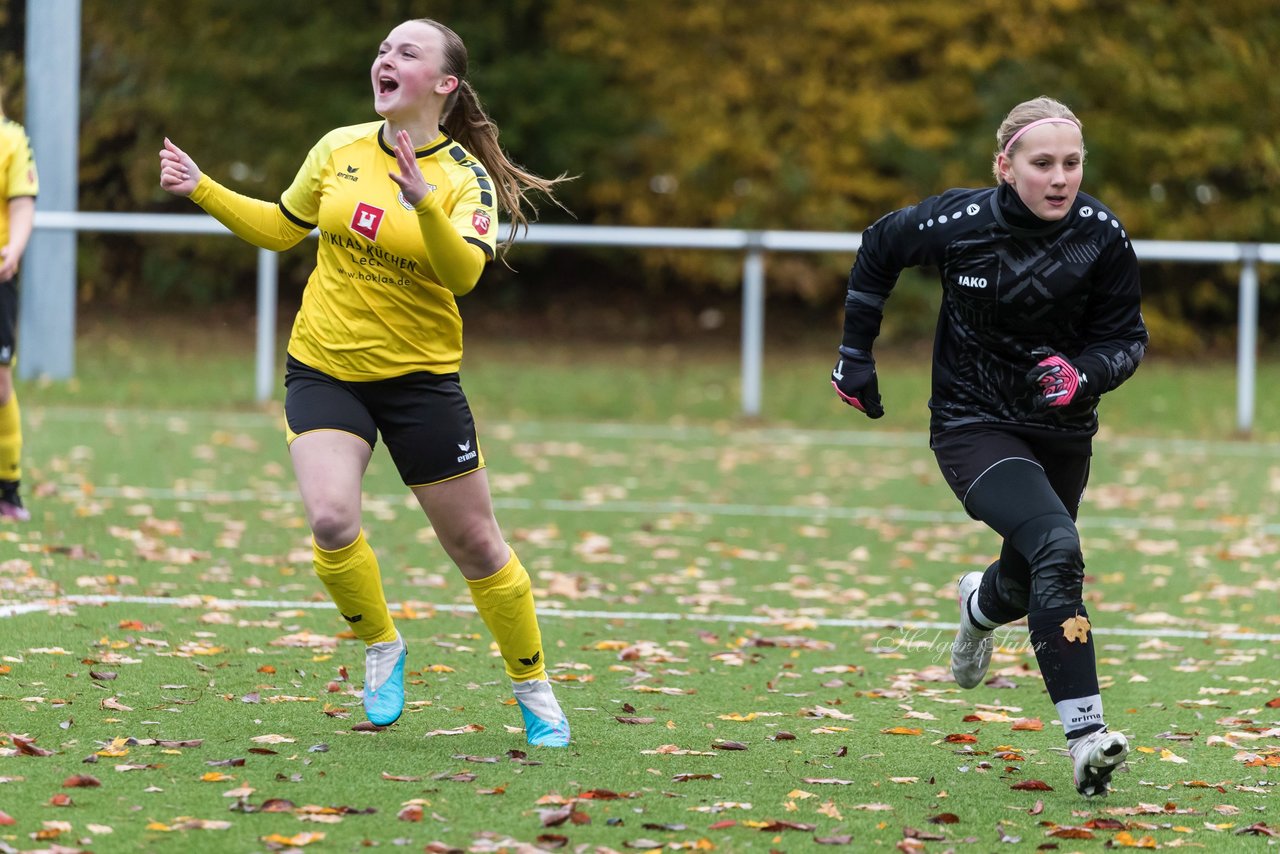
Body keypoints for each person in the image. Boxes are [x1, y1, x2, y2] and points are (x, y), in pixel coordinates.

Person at [158, 18, 571, 746]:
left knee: (476, 545)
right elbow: (283, 228)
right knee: (329, 520)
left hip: (420, 383)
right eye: (383, 47)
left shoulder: (461, 178)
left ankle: (532, 686)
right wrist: (203, 189)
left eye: (406, 52)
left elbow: (464, 274)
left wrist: (422, 205)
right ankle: (382, 644)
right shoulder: (337, 149)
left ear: (443, 85)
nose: (385, 57)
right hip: (324, 367)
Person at [831, 96, 1147, 796]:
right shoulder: (957, 221)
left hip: (1063, 429)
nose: (1060, 177)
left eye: (1072, 162)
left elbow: (1127, 341)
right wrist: (856, 354)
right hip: (973, 424)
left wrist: (1083, 374)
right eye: (1042, 163)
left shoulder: (1102, 236)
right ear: (1005, 166)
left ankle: (979, 608)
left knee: (1030, 574)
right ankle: (1087, 740)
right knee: (1060, 549)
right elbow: (880, 247)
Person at [0, 85, 38, 522]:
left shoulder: (12, 139)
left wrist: (15, 248)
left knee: (0, 382)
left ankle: (7, 487)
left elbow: (22, 205)